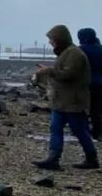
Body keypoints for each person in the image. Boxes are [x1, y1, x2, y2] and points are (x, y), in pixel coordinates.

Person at [32, 25, 98, 170]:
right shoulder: (66, 53)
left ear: (60, 39)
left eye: (52, 39)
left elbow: (68, 75)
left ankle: (91, 157)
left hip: (73, 101)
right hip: (61, 100)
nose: (50, 43)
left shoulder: (75, 54)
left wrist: (48, 70)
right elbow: (61, 72)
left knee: (79, 130)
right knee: (55, 128)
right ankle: (53, 158)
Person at [77, 27, 102, 140]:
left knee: (83, 109)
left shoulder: (81, 50)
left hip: (86, 83)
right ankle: (97, 132)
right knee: (97, 110)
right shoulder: (100, 49)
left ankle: (84, 131)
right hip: (100, 83)